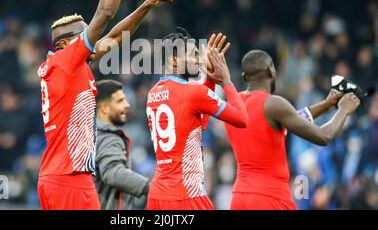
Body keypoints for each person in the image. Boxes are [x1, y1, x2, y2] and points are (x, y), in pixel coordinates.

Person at [36, 0, 177, 210]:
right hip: (71, 179)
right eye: (84, 35)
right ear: (65, 45)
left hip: (56, 178)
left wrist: (148, 4)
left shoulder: (66, 66)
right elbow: (106, 14)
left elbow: (114, 36)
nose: (92, 38)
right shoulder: (65, 61)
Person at [225, 49, 361, 210]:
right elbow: (324, 136)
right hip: (270, 197)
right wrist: (344, 109)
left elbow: (290, 118)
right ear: (271, 70)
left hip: (239, 197)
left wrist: (326, 105)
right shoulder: (273, 104)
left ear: (244, 77)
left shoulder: (233, 104)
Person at [145, 28, 248, 210]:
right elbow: (242, 119)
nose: (198, 61)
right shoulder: (193, 92)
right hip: (186, 194)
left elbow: (198, 125)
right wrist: (226, 81)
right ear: (173, 60)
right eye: (193, 55)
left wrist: (210, 80)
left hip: (157, 196)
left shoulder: (153, 93)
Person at [94, 79, 150, 210]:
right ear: (104, 108)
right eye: (120, 101)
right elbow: (112, 172)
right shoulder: (108, 136)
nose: (127, 105)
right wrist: (150, 187)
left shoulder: (88, 133)